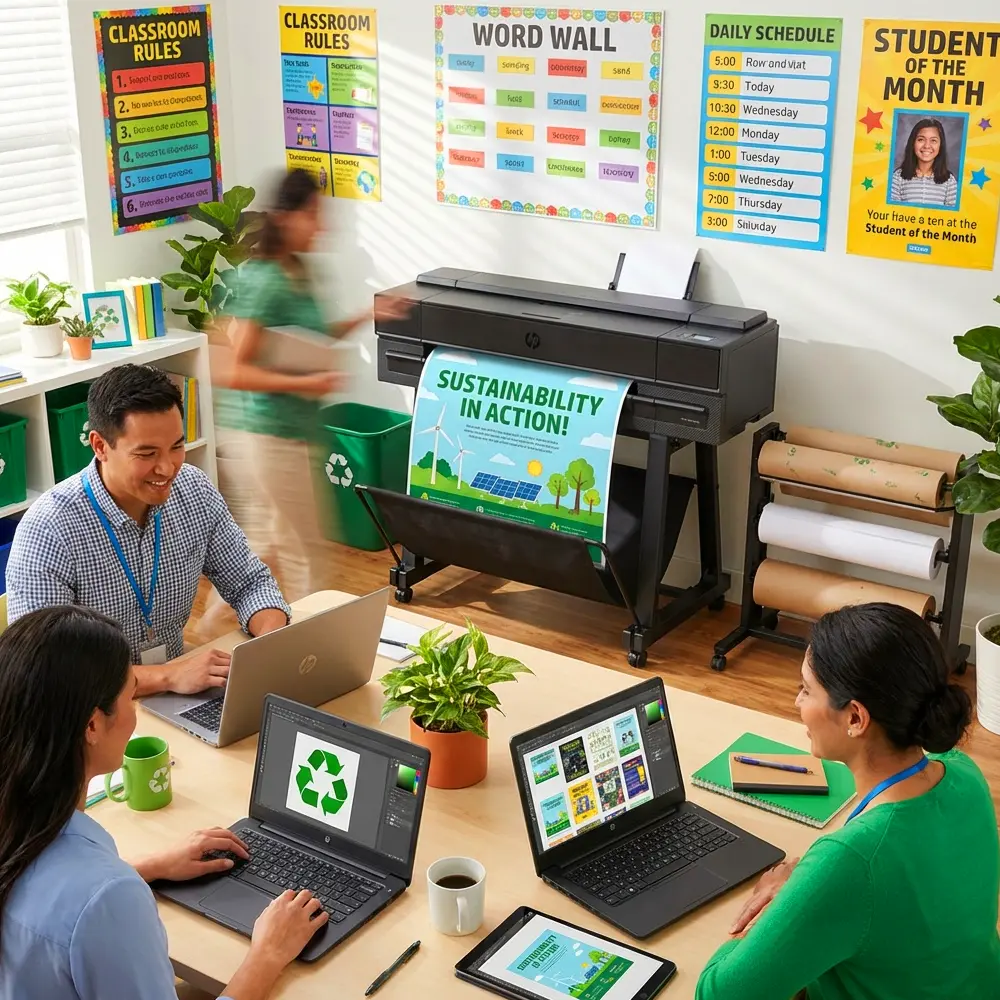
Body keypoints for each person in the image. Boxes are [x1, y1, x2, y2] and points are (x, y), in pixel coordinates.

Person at [0, 606, 327, 1000]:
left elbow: (48, 896)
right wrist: (268, 954)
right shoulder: (107, 897)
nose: (136, 712)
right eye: (130, 696)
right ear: (91, 725)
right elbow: (85, 905)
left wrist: (150, 867)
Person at [695, 602, 1000, 1000]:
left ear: (856, 718)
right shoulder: (962, 773)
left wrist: (788, 910)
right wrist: (811, 884)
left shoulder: (852, 860)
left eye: (806, 689)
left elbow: (721, 994)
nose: (796, 703)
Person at [6, 364, 291, 696]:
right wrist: (167, 675)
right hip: (91, 713)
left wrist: (270, 643)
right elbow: (47, 673)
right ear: (99, 446)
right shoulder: (49, 530)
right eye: (146, 453)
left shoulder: (194, 491)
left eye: (176, 446)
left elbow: (249, 583)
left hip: (176, 693)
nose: (167, 468)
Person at [209, 168, 406, 612]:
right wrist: (306, 383)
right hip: (268, 435)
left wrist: (364, 317)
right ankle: (308, 649)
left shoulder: (298, 271)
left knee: (267, 546)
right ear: (285, 217)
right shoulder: (264, 281)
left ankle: (211, 630)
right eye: (313, 215)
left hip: (293, 431)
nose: (322, 225)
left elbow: (308, 341)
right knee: (307, 556)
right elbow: (235, 372)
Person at [890, 118, 957, 208]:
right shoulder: (897, 177)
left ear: (940, 145)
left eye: (933, 140)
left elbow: (952, 218)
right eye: (921, 140)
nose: (927, 146)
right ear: (913, 143)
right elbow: (892, 214)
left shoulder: (949, 181)